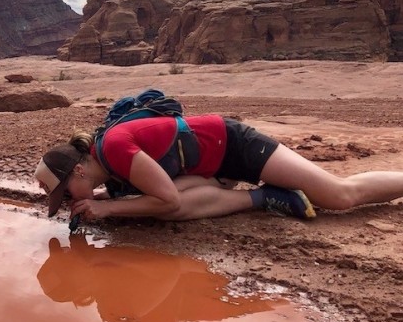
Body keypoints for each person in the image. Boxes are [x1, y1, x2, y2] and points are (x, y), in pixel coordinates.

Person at [34, 114, 403, 223]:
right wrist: (104, 199)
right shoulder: (107, 167)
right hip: (213, 164)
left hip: (237, 147)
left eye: (63, 194)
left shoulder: (113, 148)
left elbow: (166, 199)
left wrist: (109, 207)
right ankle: (266, 197)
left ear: (78, 173)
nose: (66, 201)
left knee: (340, 196)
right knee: (160, 209)